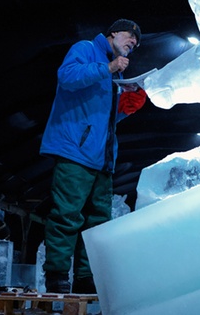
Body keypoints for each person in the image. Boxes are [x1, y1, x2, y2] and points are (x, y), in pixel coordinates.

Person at [39, 19, 148, 294]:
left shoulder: (112, 75)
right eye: (129, 35)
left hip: (102, 158)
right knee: (67, 214)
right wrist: (108, 68)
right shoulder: (86, 49)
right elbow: (67, 77)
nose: (133, 42)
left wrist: (128, 105)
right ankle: (57, 275)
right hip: (75, 151)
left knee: (98, 222)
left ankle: (86, 276)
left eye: (136, 42)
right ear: (112, 33)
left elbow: (103, 119)